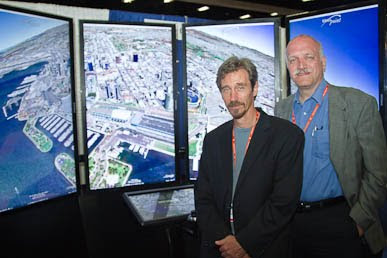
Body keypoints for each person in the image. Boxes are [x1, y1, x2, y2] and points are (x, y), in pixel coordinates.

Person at [275, 34, 387, 258]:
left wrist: (359, 222)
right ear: (287, 66)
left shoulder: (358, 104)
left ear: (323, 62)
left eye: (308, 57)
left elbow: (378, 173)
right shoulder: (281, 109)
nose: (301, 65)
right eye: (293, 60)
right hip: (291, 225)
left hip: (340, 221)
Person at [194, 56, 304, 258]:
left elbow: (283, 202)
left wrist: (244, 244)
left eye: (240, 87)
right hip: (220, 249)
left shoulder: (287, 136)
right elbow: (203, 199)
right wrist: (227, 244)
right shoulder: (213, 140)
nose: (233, 97)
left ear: (255, 89)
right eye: (226, 89)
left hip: (265, 249)